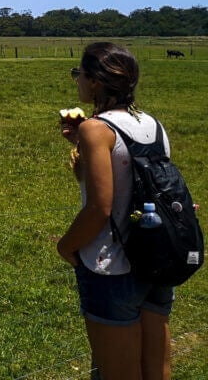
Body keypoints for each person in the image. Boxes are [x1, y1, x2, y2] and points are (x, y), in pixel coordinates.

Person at [56, 42, 174, 380]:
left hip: (111, 265)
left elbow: (100, 207)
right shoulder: (154, 125)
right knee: (156, 370)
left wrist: (66, 246)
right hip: (155, 258)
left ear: (95, 82)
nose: (76, 80)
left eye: (79, 73)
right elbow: (131, 183)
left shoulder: (96, 129)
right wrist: (81, 146)